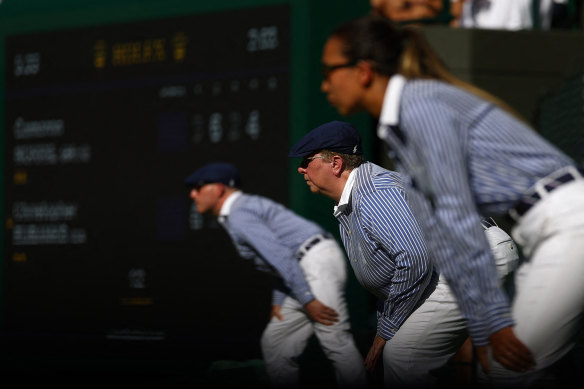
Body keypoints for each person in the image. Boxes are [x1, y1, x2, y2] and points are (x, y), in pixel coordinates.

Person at [319, 14, 584, 387]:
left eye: (329, 70)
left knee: (512, 369)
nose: (324, 84)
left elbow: (457, 222)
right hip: (549, 228)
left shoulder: (420, 111)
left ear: (363, 71)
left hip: (569, 222)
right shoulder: (404, 118)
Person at [289, 121, 469, 388]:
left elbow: (414, 258)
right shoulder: (357, 196)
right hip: (449, 267)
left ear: (336, 163)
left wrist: (386, 330)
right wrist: (387, 327)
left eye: (307, 160)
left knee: (403, 357)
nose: (301, 168)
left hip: (464, 262)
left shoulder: (373, 192)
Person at [185, 162, 366, 389]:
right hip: (305, 265)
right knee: (276, 342)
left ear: (219, 189)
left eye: (199, 187)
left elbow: (280, 255)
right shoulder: (239, 210)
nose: (193, 194)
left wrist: (308, 299)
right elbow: (279, 257)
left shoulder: (239, 212)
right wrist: (280, 300)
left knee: (335, 339)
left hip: (314, 262)